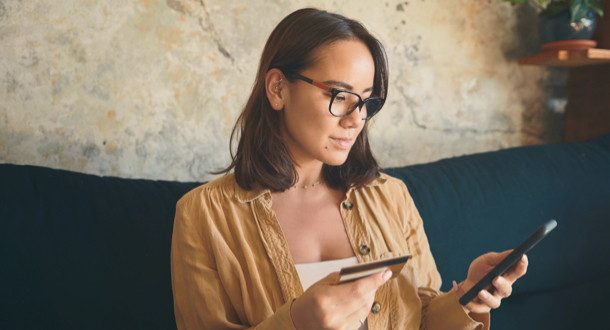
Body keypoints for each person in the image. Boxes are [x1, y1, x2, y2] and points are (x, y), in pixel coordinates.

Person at [171, 8, 528, 330]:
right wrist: (296, 322)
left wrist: (467, 297)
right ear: (278, 88)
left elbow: (423, 320)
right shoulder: (203, 215)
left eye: (367, 101)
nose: (357, 119)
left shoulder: (391, 196)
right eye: (340, 96)